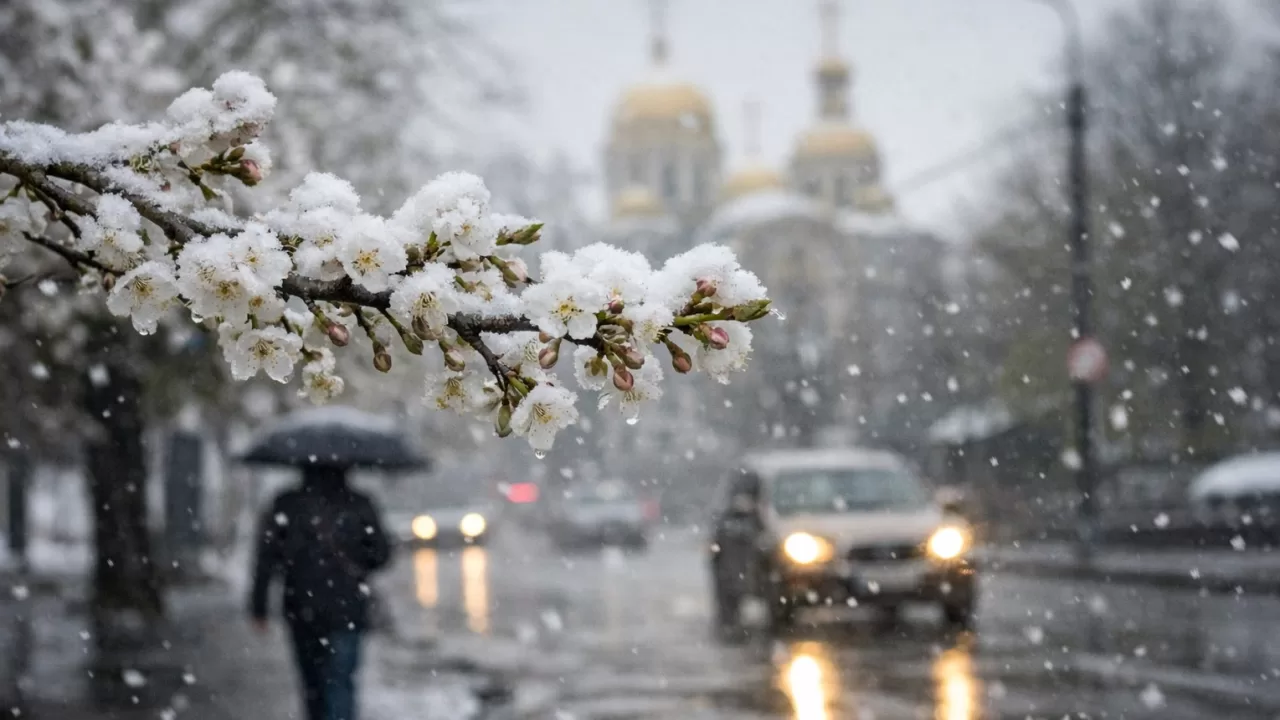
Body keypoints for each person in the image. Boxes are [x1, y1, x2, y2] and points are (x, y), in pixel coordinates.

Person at [249, 465, 391, 720]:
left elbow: (267, 558)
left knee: (312, 685)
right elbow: (382, 555)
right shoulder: (359, 503)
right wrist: (358, 558)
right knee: (341, 682)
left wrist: (258, 605)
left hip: (301, 607)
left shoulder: (286, 504)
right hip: (346, 608)